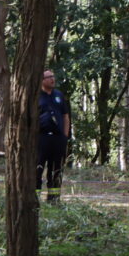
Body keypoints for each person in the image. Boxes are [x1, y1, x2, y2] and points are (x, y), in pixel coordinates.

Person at [38, 69, 71, 203]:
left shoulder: (59, 95)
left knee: (56, 169)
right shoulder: (36, 95)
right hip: (41, 138)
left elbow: (65, 116)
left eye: (53, 76)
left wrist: (65, 136)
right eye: (49, 77)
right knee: (38, 167)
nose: (53, 79)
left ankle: (54, 199)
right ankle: (35, 198)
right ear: (42, 80)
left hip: (58, 139)